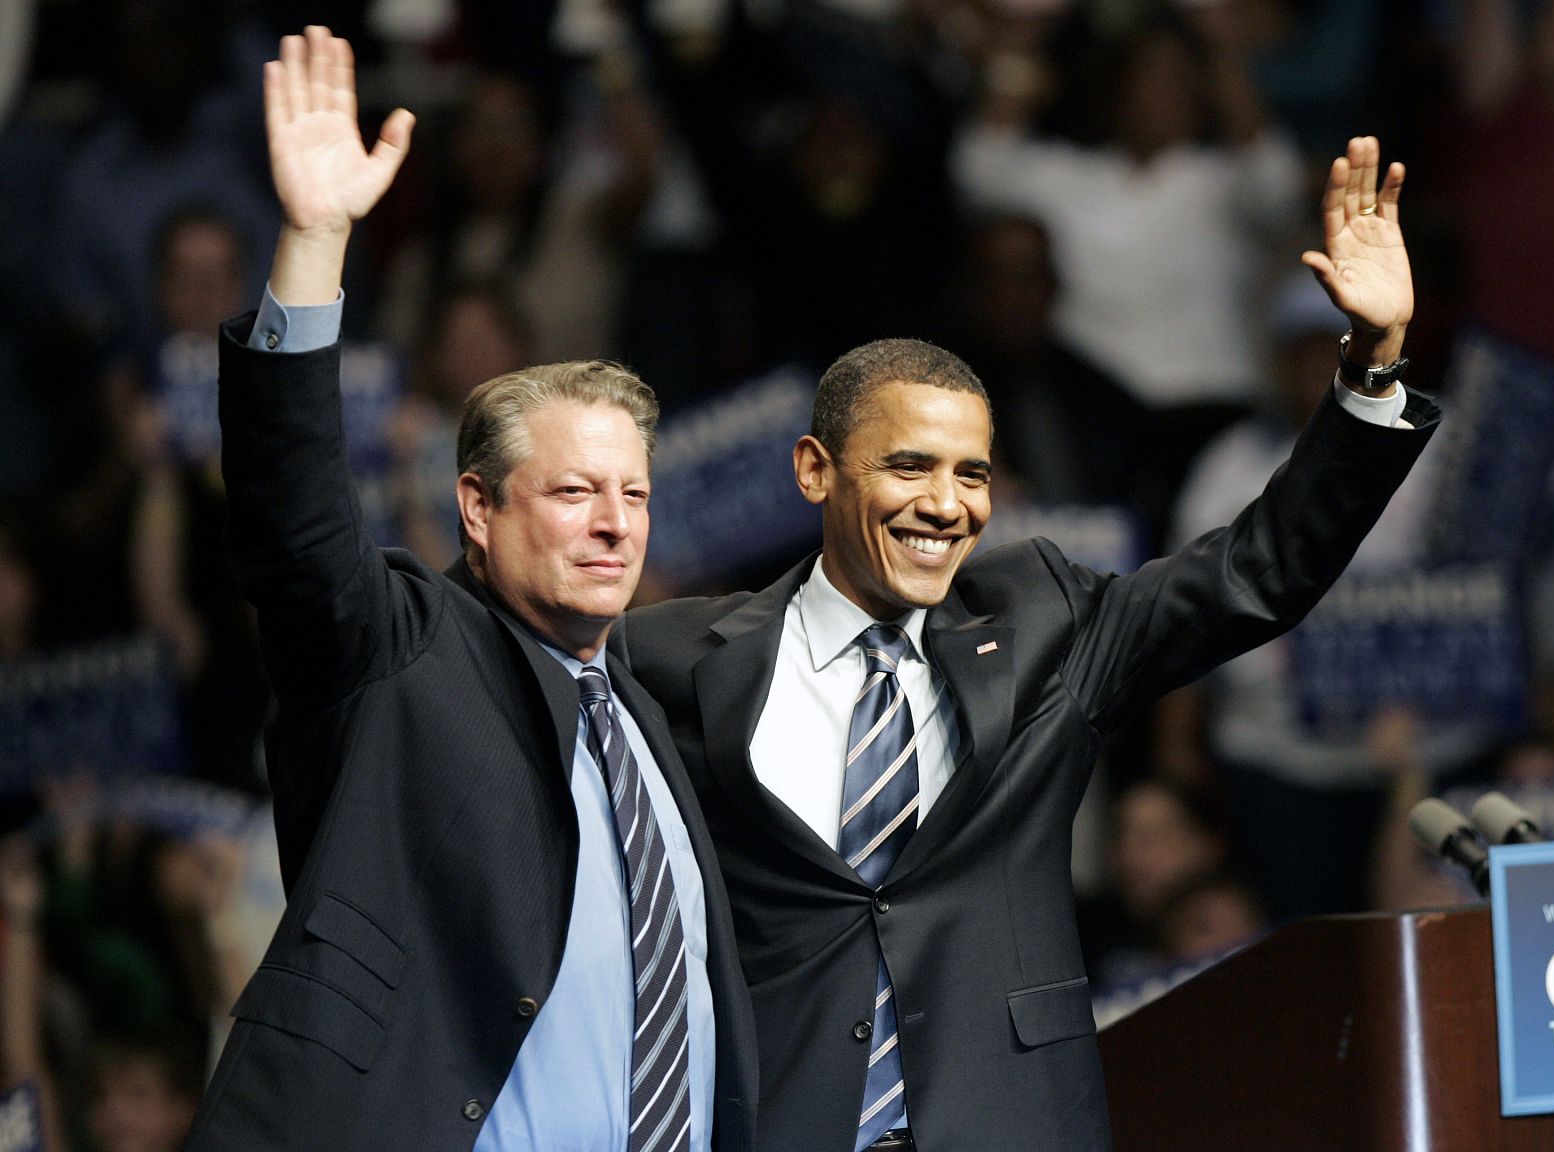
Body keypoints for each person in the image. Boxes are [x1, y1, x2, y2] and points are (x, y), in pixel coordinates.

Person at [610, 135, 1439, 1150]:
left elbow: (1255, 571)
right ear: (815, 470)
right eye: (910, 466)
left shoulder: (1046, 625)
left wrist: (1372, 370)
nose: (946, 505)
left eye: (972, 474)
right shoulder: (673, 660)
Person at [183, 28, 756, 1152]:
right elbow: (295, 532)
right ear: (479, 510)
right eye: (573, 491)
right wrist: (315, 241)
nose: (611, 523)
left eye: (633, 496)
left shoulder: (642, 717)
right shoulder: (406, 648)